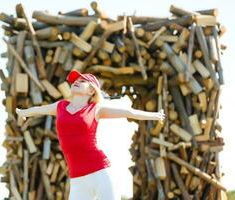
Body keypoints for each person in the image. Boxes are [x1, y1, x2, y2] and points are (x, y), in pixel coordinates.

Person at [16, 69, 165, 200]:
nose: (76, 82)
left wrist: (155, 115)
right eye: (75, 80)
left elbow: (129, 113)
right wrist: (23, 112)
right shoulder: (60, 106)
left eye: (82, 81)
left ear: (91, 91)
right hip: (77, 179)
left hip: (101, 173)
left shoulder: (96, 109)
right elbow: (38, 109)